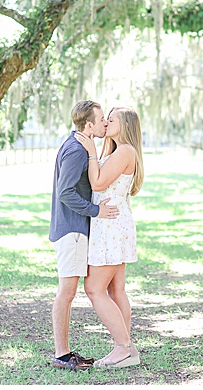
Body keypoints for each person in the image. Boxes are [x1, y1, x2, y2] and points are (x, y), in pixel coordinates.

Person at [49, 100, 119, 371]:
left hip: (71, 229)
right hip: (72, 231)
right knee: (66, 293)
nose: (104, 124)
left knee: (67, 292)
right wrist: (95, 210)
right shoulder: (77, 150)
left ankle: (64, 352)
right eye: (101, 120)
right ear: (89, 125)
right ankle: (62, 355)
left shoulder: (75, 145)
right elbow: (65, 192)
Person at [74, 106, 144, 368]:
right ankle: (127, 349)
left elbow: (98, 183)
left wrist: (91, 151)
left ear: (123, 125)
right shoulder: (116, 150)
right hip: (112, 221)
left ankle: (122, 348)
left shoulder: (126, 150)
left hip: (112, 224)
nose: (104, 123)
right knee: (116, 290)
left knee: (94, 288)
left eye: (110, 120)